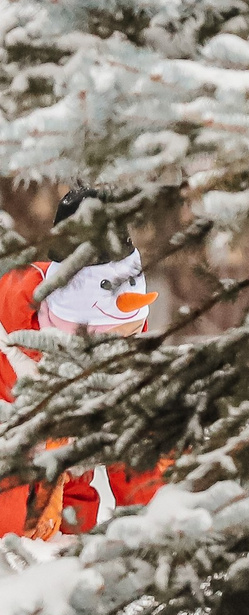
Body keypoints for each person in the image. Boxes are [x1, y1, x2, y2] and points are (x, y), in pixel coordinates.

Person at [0, 187, 163, 542]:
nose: (121, 353)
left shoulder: (121, 334)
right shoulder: (12, 335)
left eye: (132, 335)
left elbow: (141, 457)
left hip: (63, 511)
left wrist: (163, 529)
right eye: (112, 342)